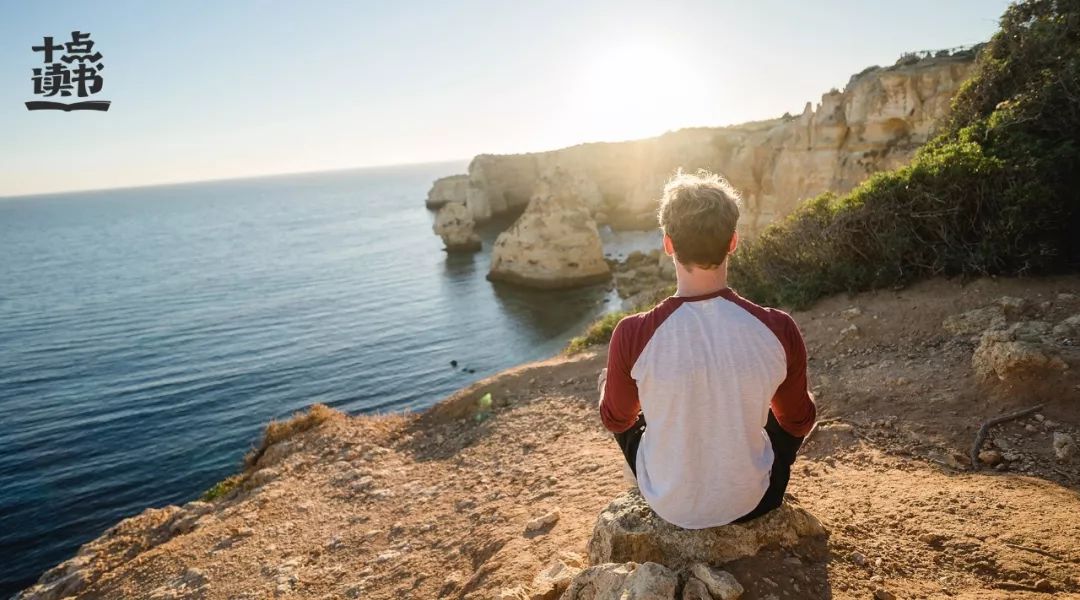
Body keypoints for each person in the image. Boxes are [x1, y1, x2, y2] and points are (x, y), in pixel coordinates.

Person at [597, 170, 816, 528]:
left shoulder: (631, 333)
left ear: (668, 244)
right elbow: (798, 421)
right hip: (756, 500)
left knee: (617, 395)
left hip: (669, 505)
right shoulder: (779, 328)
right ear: (733, 241)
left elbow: (616, 419)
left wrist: (613, 388)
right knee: (787, 405)